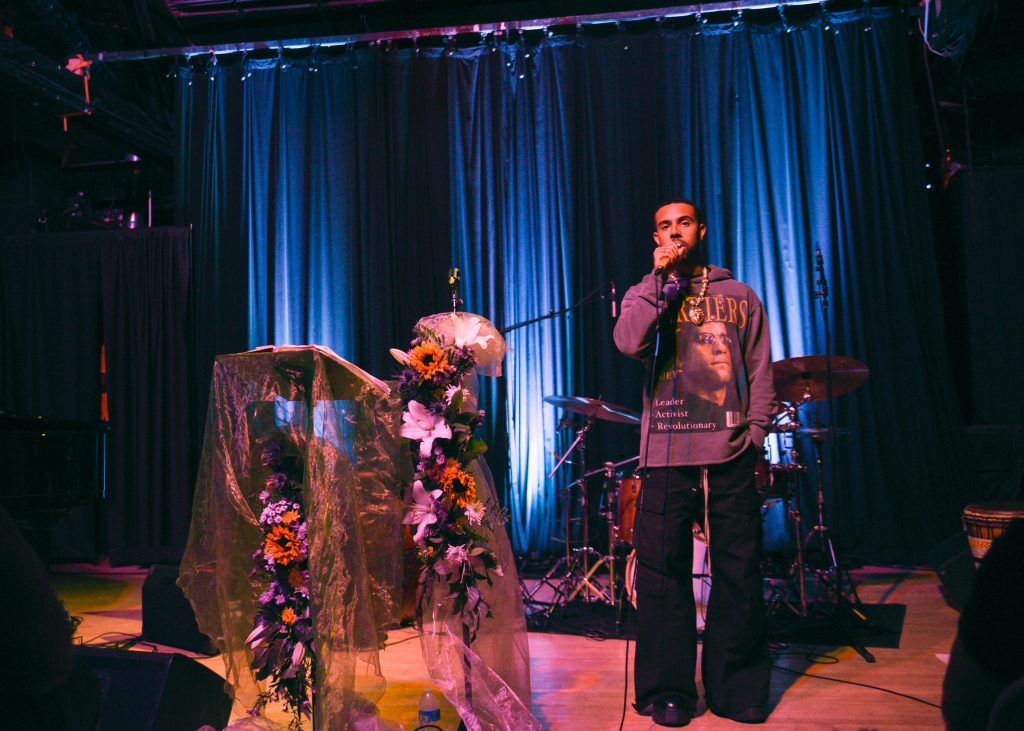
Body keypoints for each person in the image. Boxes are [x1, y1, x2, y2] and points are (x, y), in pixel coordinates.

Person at [614, 200, 776, 727]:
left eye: (683, 222)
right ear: (655, 236)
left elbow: (759, 365)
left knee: (738, 572)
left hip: (728, 450)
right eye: (664, 225)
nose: (675, 232)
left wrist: (754, 433)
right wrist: (661, 287)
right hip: (664, 453)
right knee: (662, 578)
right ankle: (668, 692)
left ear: (701, 230)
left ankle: (737, 690)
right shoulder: (646, 292)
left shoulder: (739, 295)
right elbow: (627, 341)